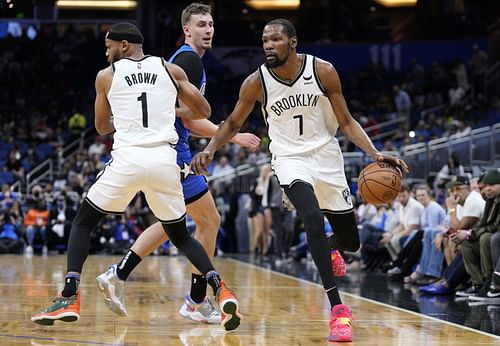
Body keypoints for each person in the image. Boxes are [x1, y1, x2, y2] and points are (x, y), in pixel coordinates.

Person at [191, 18, 409, 342]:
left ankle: (333, 248)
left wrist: (375, 154)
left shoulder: (323, 71)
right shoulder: (256, 82)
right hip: (289, 160)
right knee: (310, 218)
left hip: (327, 158)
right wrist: (210, 148)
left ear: (292, 42)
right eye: (265, 40)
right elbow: (234, 123)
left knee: (351, 242)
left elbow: (347, 122)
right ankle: (338, 310)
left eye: (276, 39)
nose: (268, 45)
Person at [31, 23, 242, 331]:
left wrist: (126, 112)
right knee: (181, 234)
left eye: (109, 47)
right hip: (164, 161)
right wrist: (168, 110)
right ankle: (220, 288)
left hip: (128, 161)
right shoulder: (169, 69)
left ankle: (69, 296)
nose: (106, 53)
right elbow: (203, 109)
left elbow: (102, 127)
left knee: (83, 222)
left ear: (125, 46)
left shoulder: (107, 76)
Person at [95, 3, 258, 325]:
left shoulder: (188, 61)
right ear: (187, 29)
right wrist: (233, 136)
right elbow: (193, 119)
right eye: (201, 24)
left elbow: (187, 114)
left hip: (170, 151)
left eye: (211, 24)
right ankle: (193, 301)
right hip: (174, 152)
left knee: (181, 223)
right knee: (206, 221)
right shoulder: (186, 62)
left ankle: (123, 276)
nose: (208, 29)